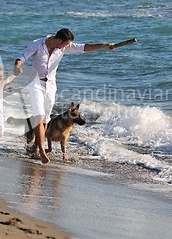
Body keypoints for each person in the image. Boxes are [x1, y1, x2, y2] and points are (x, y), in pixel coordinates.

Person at [14, 28, 116, 164]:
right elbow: (22, 56)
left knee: (45, 120)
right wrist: (17, 66)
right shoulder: (37, 44)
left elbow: (84, 47)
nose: (67, 47)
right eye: (66, 44)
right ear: (59, 40)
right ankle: (41, 150)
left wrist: (104, 45)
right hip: (35, 85)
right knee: (38, 117)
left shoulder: (62, 48)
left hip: (50, 87)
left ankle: (36, 146)